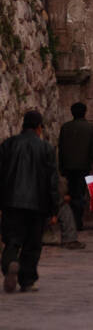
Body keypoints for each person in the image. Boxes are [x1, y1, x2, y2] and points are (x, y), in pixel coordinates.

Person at [0, 110, 60, 293]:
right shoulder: (46, 148)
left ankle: (11, 262)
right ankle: (27, 280)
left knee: (11, 240)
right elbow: (52, 181)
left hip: (12, 203)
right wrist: (54, 209)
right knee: (32, 244)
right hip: (38, 205)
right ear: (39, 127)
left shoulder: (8, 145)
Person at [57, 101, 93, 232]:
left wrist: (61, 166)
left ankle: (72, 220)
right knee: (79, 195)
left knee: (71, 194)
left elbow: (61, 148)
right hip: (83, 167)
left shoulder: (65, 127)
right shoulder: (90, 128)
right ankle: (76, 221)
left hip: (68, 167)